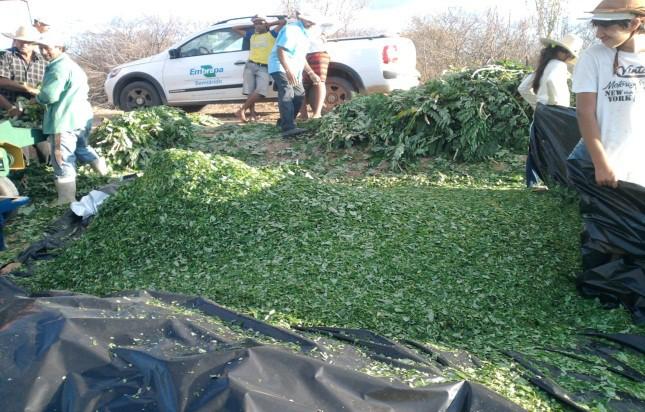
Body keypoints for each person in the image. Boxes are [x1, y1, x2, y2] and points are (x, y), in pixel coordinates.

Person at [569, 0, 645, 189]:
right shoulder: (594, 57)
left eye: (607, 25)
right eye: (597, 25)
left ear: (635, 23)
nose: (598, 34)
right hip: (609, 165)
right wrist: (600, 163)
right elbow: (585, 113)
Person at [34, 32, 108, 205]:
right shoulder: (73, 65)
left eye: (47, 48)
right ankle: (105, 176)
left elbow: (50, 95)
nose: (44, 52)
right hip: (82, 118)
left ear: (59, 47)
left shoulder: (57, 67)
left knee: (61, 157)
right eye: (41, 48)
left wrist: (37, 98)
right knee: (82, 148)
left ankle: (66, 199)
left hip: (64, 119)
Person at [518, 33, 582, 190]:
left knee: (536, 146)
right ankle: (562, 182)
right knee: (558, 147)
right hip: (554, 114)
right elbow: (552, 81)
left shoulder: (545, 65)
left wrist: (539, 105)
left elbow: (523, 88)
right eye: (569, 55)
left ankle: (533, 183)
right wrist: (554, 105)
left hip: (542, 113)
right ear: (564, 53)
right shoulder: (559, 65)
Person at [268, 9, 321, 138]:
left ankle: (284, 122)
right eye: (309, 21)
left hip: (294, 69)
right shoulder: (291, 30)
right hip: (280, 66)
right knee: (287, 92)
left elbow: (300, 57)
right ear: (302, 18)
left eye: (313, 22)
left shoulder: (304, 34)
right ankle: (288, 128)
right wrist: (288, 70)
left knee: (299, 94)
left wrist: (311, 72)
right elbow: (281, 50)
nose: (311, 24)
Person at [232, 15, 285, 122]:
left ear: (265, 24)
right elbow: (234, 28)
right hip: (250, 65)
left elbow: (283, 22)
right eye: (255, 23)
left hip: (264, 67)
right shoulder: (251, 35)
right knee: (251, 92)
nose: (257, 25)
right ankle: (252, 115)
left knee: (260, 91)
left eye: (260, 23)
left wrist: (268, 24)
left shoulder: (272, 34)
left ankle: (241, 110)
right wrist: (254, 24)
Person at [0, 26, 45, 117]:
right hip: (6, 111)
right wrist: (28, 89)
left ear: (34, 44)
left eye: (28, 42)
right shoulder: (5, 55)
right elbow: (2, 81)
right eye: (21, 41)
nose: (24, 44)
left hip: (34, 114)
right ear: (15, 41)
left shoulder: (43, 61)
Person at [299, 19, 335, 119]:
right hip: (301, 55)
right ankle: (304, 115)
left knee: (319, 82)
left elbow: (335, 23)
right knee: (300, 85)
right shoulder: (296, 25)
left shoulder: (317, 22)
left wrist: (324, 33)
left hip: (318, 52)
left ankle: (317, 113)